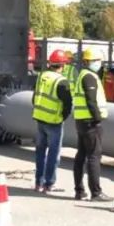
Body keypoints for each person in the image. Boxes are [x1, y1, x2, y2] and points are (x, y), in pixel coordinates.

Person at [73, 48, 112, 202]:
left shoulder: (82, 75)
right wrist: (97, 119)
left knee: (81, 156)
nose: (99, 64)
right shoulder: (89, 77)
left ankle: (79, 191)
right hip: (90, 123)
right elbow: (91, 100)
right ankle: (96, 192)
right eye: (98, 61)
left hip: (81, 121)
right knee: (94, 157)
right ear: (91, 61)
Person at [32, 50, 73, 193]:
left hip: (40, 118)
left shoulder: (41, 76)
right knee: (53, 154)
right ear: (63, 65)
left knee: (40, 152)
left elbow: (34, 96)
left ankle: (39, 183)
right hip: (54, 122)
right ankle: (49, 184)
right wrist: (62, 117)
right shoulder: (61, 82)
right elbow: (68, 104)